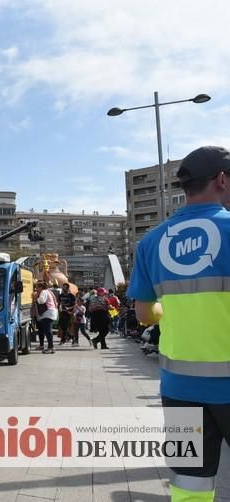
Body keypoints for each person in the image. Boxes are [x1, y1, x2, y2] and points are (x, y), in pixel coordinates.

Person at [127, 146, 230, 502]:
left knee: (190, 484)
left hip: (180, 389)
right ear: (221, 180)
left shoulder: (152, 242)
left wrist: (174, 312)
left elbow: (144, 314)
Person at [33, 280, 57, 354]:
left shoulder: (43, 292)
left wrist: (36, 298)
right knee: (47, 331)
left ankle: (51, 347)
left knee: (48, 331)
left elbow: (41, 301)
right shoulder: (48, 291)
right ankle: (49, 347)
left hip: (48, 313)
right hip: (49, 313)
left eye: (37, 287)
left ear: (40, 287)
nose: (36, 289)